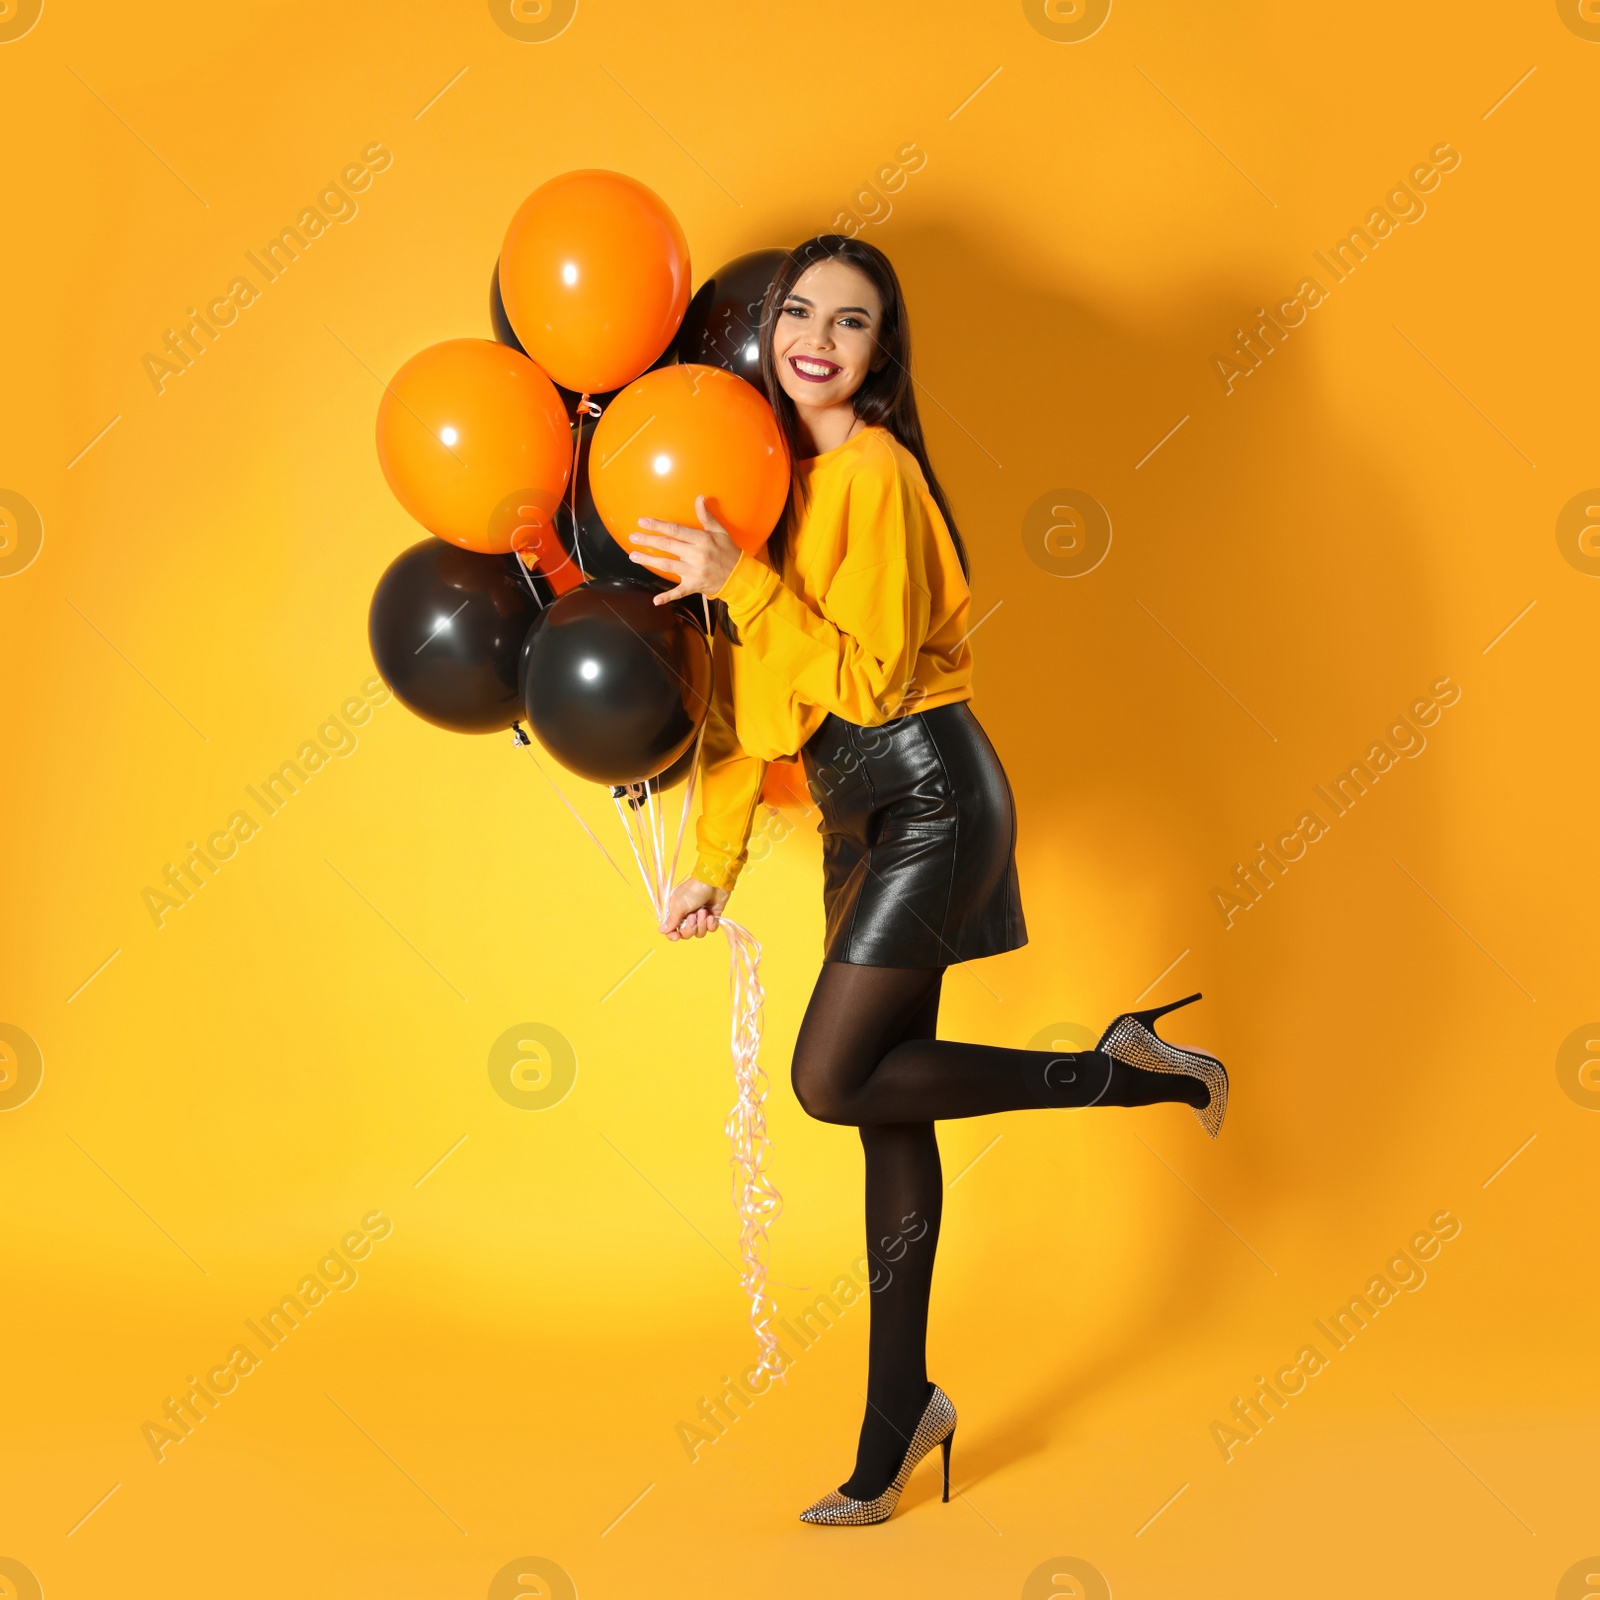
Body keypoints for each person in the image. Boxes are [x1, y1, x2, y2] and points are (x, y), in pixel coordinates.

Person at [627, 235, 1228, 1527]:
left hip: (934, 791)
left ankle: (1118, 1072)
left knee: (831, 1079)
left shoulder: (877, 475)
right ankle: (899, 1419)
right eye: (800, 312)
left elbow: (863, 684)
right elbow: (743, 702)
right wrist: (706, 865)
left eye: (852, 324)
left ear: (880, 354)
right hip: (865, 811)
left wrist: (744, 582)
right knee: (887, 1116)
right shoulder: (761, 486)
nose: (817, 340)